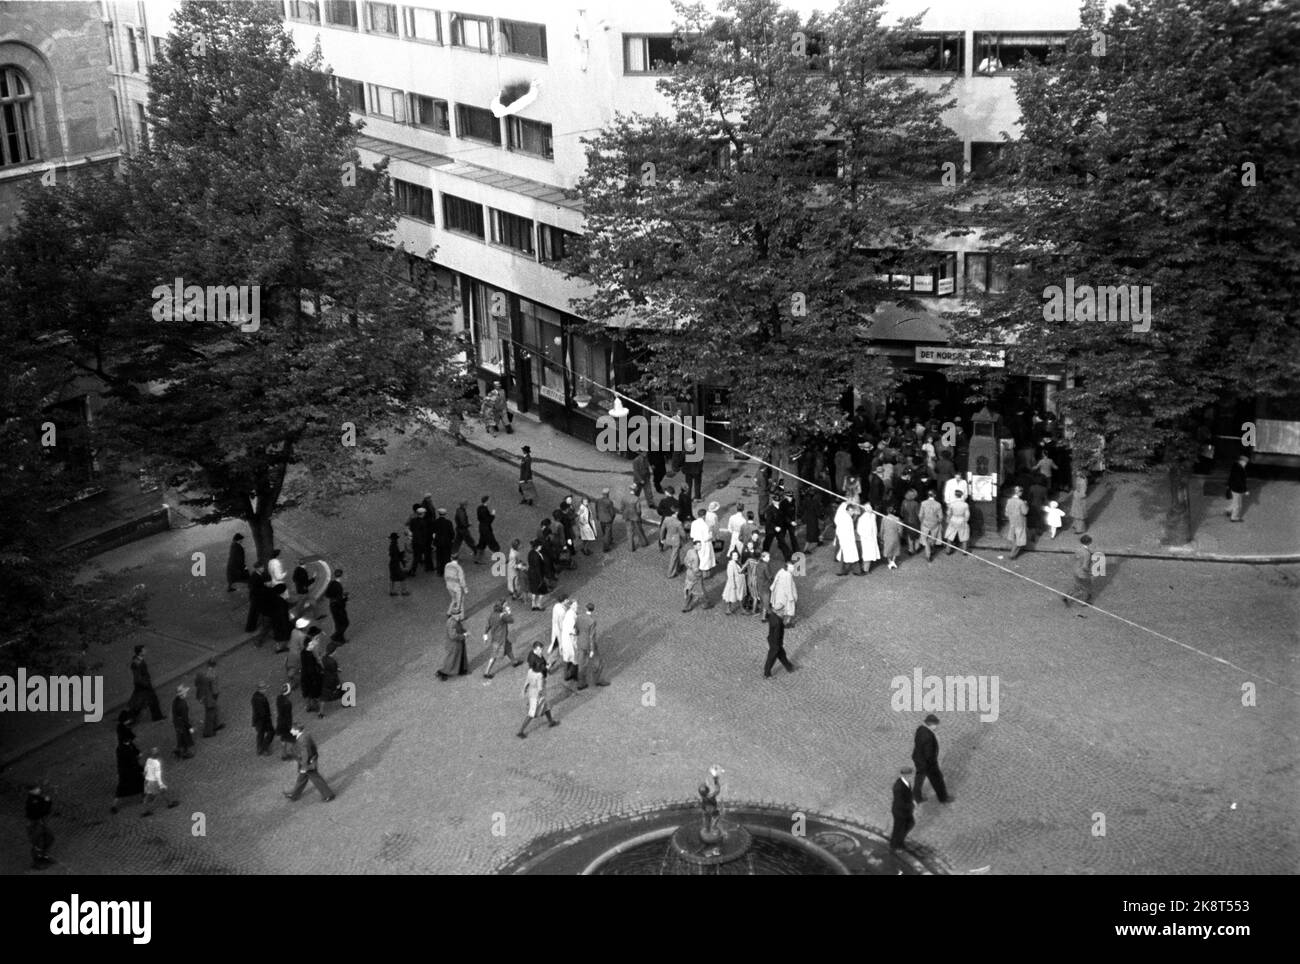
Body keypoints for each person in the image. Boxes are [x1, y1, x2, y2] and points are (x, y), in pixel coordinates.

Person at [517, 642, 560, 738]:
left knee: (546, 706)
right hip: (537, 694)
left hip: (532, 691)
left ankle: (551, 721)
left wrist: (524, 689)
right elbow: (540, 688)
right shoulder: (540, 675)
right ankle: (520, 731)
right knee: (532, 713)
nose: (542, 651)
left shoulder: (530, 669)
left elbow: (527, 681)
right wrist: (541, 695)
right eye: (540, 649)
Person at [283, 725, 336, 802]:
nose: (291, 731)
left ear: (297, 730)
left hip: (307, 763)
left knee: (316, 778)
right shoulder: (306, 735)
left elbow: (305, 754)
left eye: (292, 730)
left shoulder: (302, 740)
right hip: (309, 760)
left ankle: (328, 795)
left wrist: (304, 767)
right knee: (302, 778)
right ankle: (294, 794)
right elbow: (313, 746)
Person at [912, 713, 950, 803]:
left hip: (917, 758)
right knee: (937, 779)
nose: (936, 727)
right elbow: (929, 754)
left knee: (919, 779)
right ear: (932, 725)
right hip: (928, 763)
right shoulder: (929, 736)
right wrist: (933, 764)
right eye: (935, 725)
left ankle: (916, 797)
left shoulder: (920, 729)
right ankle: (943, 798)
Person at [482, 600, 521, 679]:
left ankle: (514, 662)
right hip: (500, 639)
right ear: (501, 606)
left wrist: (485, 634)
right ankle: (486, 672)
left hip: (497, 637)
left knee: (508, 649)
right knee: (494, 656)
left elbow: (487, 626)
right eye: (505, 605)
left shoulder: (492, 614)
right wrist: (509, 612)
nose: (507, 606)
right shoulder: (502, 616)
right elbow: (511, 620)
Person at [127, 645, 165, 723]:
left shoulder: (138, 660)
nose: (145, 651)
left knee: (143, 702)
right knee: (150, 701)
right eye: (144, 650)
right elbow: (137, 677)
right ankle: (156, 717)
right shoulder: (137, 662)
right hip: (143, 686)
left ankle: (131, 718)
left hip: (143, 685)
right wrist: (146, 683)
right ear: (140, 652)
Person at [111, 727, 144, 814]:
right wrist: (141, 767)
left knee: (123, 788)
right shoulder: (123, 749)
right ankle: (114, 806)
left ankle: (114, 805)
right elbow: (132, 760)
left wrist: (138, 754)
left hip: (127, 771)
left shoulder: (124, 746)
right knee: (123, 788)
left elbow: (135, 751)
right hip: (128, 771)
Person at [576, 603, 608, 688]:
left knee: (581, 663)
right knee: (598, 662)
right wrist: (592, 650)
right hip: (589, 645)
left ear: (585, 608)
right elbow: (591, 636)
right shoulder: (592, 621)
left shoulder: (579, 617)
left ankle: (581, 683)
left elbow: (576, 629)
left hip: (580, 642)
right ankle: (598, 680)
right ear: (593, 610)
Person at [140, 748, 179, 816]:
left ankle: (169, 803)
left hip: (148, 781)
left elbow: (145, 770)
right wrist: (161, 784)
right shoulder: (157, 763)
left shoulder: (148, 760)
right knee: (154, 795)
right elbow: (157, 775)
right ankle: (146, 811)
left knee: (150, 795)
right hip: (154, 782)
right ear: (157, 755)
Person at [26, 783, 54, 869]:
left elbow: (45, 809)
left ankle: (43, 856)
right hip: (36, 822)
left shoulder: (38, 797)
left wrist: (47, 802)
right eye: (36, 789)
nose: (39, 790)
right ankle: (37, 861)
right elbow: (41, 811)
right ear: (31, 791)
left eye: (38, 788)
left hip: (40, 821)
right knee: (38, 841)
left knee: (48, 838)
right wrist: (47, 802)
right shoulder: (32, 801)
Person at [1064, 534, 1096, 607]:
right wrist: (1090, 573)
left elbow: (1076, 558)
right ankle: (1083, 602)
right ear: (1089, 542)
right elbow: (1085, 566)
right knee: (1087, 587)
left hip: (1076, 570)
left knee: (1076, 586)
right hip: (1082, 573)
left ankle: (1066, 596)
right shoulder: (1087, 553)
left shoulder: (1078, 549)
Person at [194, 658, 223, 737]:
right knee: (210, 714)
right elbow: (214, 689)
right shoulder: (211, 675)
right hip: (210, 698)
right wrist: (215, 697)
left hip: (205, 697)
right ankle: (208, 732)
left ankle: (216, 725)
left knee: (215, 710)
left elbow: (197, 685)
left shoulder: (201, 674)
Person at [437, 610, 470, 680]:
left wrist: (464, 631)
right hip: (454, 644)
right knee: (451, 659)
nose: (459, 617)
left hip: (457, 643)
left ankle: (461, 669)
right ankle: (444, 672)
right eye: (457, 615)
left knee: (458, 657)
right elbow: (453, 636)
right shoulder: (452, 623)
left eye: (459, 615)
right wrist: (463, 635)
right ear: (453, 615)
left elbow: (459, 628)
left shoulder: (454, 621)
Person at [763, 610, 795, 678]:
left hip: (772, 639)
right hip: (776, 642)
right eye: (783, 612)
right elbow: (777, 634)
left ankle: (789, 667)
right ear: (780, 612)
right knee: (771, 657)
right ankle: (767, 674)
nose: (784, 614)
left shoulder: (773, 616)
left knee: (782, 654)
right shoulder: (778, 622)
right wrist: (777, 645)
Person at [890, 767, 916, 850]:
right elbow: (900, 802)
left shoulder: (906, 782)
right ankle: (896, 845)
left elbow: (908, 794)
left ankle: (899, 842)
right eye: (909, 775)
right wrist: (911, 805)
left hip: (905, 810)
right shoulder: (898, 787)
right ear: (904, 775)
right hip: (900, 812)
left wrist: (912, 800)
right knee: (899, 829)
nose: (910, 777)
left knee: (909, 824)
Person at [682, 542, 710, 612]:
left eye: (700, 545)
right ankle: (705, 603)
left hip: (689, 573)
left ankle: (686, 605)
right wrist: (701, 574)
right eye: (699, 545)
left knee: (689, 589)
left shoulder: (689, 551)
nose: (700, 547)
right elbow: (696, 569)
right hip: (695, 575)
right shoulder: (696, 557)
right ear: (695, 546)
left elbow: (685, 560)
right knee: (700, 589)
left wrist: (689, 567)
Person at [1003, 485, 1029, 559]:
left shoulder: (1009, 500)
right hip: (1020, 522)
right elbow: (1025, 512)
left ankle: (1013, 553)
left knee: (1014, 538)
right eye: (1021, 492)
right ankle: (1012, 554)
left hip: (1012, 522)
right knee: (1019, 539)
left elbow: (1006, 513)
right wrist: (1026, 505)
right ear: (1019, 493)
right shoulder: (1021, 502)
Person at [918, 489, 945, 562]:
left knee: (925, 539)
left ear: (928, 495)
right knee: (933, 538)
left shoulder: (923, 503)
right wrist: (938, 522)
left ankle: (928, 554)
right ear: (935, 495)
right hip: (934, 524)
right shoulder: (938, 504)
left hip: (925, 524)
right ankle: (931, 548)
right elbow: (941, 517)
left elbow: (920, 515)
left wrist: (922, 522)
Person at [856, 501, 881, 575]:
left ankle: (865, 569)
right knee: (867, 554)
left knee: (868, 554)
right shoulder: (863, 518)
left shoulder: (872, 516)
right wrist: (866, 536)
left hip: (871, 538)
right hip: (867, 539)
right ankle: (865, 568)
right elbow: (859, 530)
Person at [620, 483, 648, 551]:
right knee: (639, 530)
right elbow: (638, 510)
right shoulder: (636, 498)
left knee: (629, 532)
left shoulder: (624, 498)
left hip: (627, 516)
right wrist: (639, 515)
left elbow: (621, 508)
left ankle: (631, 547)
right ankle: (643, 543)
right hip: (635, 516)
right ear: (635, 490)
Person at [770, 559, 798, 625]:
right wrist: (791, 597)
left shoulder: (781, 571)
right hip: (785, 595)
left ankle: (778, 620)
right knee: (789, 609)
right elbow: (788, 587)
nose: (793, 568)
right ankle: (787, 623)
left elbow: (775, 580)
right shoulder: (788, 575)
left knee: (779, 608)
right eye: (792, 567)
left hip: (779, 593)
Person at [325, 569, 350, 644]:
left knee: (338, 623)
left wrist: (337, 596)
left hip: (332, 605)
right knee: (345, 623)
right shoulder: (339, 587)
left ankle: (341, 639)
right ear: (341, 576)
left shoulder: (332, 583)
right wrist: (345, 598)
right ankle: (336, 637)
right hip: (338, 608)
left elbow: (327, 594)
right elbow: (340, 601)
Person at [690, 507, 716, 577]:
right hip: (704, 544)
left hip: (696, 543)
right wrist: (711, 532)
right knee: (705, 559)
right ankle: (705, 575)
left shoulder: (693, 523)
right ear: (704, 515)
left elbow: (692, 535)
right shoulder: (705, 525)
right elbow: (707, 537)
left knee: (698, 557)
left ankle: (698, 571)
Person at [300, 636, 323, 714]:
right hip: (311, 678)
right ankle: (314, 707)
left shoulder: (303, 652)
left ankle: (309, 706)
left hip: (305, 676)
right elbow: (311, 669)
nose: (313, 645)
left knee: (308, 693)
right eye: (311, 644)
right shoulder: (309, 655)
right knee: (313, 693)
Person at [171, 685, 195, 760]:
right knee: (185, 738)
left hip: (176, 722)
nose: (186, 694)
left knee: (180, 736)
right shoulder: (183, 704)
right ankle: (185, 753)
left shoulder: (175, 701)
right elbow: (185, 718)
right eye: (185, 693)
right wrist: (190, 727)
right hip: (182, 724)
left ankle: (178, 750)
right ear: (182, 695)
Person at [251, 683, 275, 756]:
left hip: (258, 719)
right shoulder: (260, 699)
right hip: (263, 720)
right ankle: (264, 747)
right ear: (260, 689)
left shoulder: (255, 697)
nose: (265, 690)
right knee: (271, 732)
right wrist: (267, 719)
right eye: (264, 689)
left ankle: (259, 749)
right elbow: (262, 712)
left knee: (260, 734)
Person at [944, 491, 971, 556]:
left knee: (950, 535)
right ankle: (964, 551)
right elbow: (967, 514)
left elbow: (948, 513)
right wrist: (966, 521)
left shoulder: (952, 504)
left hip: (953, 519)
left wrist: (948, 520)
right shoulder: (965, 504)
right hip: (961, 519)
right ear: (962, 495)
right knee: (964, 535)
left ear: (955, 496)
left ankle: (948, 551)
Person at [409, 505, 433, 575]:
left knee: (416, 556)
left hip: (415, 540)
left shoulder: (413, 521)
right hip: (422, 542)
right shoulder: (423, 522)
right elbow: (425, 533)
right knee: (427, 554)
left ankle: (413, 570)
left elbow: (411, 529)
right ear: (422, 514)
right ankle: (428, 567)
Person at [432, 509, 455, 575]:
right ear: (445, 514)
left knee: (439, 557)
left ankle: (440, 571)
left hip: (438, 542)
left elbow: (433, 532)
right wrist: (452, 539)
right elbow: (452, 533)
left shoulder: (435, 522)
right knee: (447, 557)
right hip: (447, 542)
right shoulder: (448, 522)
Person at [663, 510, 686, 578]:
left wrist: (662, 539)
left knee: (676, 554)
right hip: (676, 541)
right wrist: (685, 539)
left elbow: (662, 529)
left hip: (668, 539)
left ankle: (678, 567)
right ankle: (670, 573)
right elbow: (683, 534)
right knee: (674, 556)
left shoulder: (666, 519)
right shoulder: (678, 523)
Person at [476, 495, 500, 562]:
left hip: (481, 527)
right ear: (487, 501)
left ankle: (478, 558)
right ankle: (499, 558)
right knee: (492, 543)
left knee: (482, 543)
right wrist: (493, 515)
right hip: (486, 529)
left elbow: (479, 518)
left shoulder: (479, 508)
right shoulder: (484, 509)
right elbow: (488, 521)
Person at [526, 539, 548, 610]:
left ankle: (533, 605)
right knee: (542, 591)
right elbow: (538, 568)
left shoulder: (530, 553)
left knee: (534, 590)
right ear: (537, 547)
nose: (541, 547)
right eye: (540, 546)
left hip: (530, 573)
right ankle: (539, 605)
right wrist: (541, 579)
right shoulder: (537, 556)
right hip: (537, 575)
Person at [275, 683, 295, 760]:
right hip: (286, 724)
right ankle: (289, 753)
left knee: (283, 739)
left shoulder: (279, 698)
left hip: (280, 722)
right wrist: (290, 726)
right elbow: (288, 716)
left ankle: (283, 754)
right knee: (291, 738)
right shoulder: (288, 703)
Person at [1227, 454, 1249, 522]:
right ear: (1241, 461)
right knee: (1238, 505)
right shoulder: (1240, 470)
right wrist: (1245, 490)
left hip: (1233, 488)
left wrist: (1229, 485)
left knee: (1235, 501)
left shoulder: (1235, 467)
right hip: (1237, 489)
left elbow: (1231, 477)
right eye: (1245, 462)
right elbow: (1241, 482)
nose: (1245, 464)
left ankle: (1228, 510)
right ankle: (1234, 517)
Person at [722, 550, 746, 615]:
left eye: (737, 555)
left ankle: (738, 609)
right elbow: (730, 575)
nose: (736, 556)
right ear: (731, 556)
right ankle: (739, 609)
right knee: (731, 596)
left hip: (738, 583)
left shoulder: (737, 562)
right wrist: (733, 585)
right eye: (734, 555)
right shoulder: (731, 564)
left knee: (736, 596)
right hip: (734, 583)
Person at [881, 505, 903, 570]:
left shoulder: (884, 518)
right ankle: (893, 561)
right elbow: (900, 529)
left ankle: (890, 562)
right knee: (895, 549)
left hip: (887, 537)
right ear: (894, 511)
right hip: (895, 536)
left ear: (887, 511)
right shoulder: (897, 519)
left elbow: (882, 529)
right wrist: (900, 535)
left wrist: (881, 536)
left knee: (888, 550)